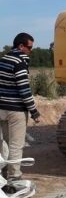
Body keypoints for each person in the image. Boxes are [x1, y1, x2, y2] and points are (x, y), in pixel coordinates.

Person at [0, 32, 40, 182]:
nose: (31, 51)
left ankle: (3, 173)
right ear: (21, 46)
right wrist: (34, 112)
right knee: (16, 145)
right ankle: (14, 177)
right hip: (15, 110)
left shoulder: (3, 60)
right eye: (29, 48)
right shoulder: (19, 64)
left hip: (1, 108)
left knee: (4, 144)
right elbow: (24, 91)